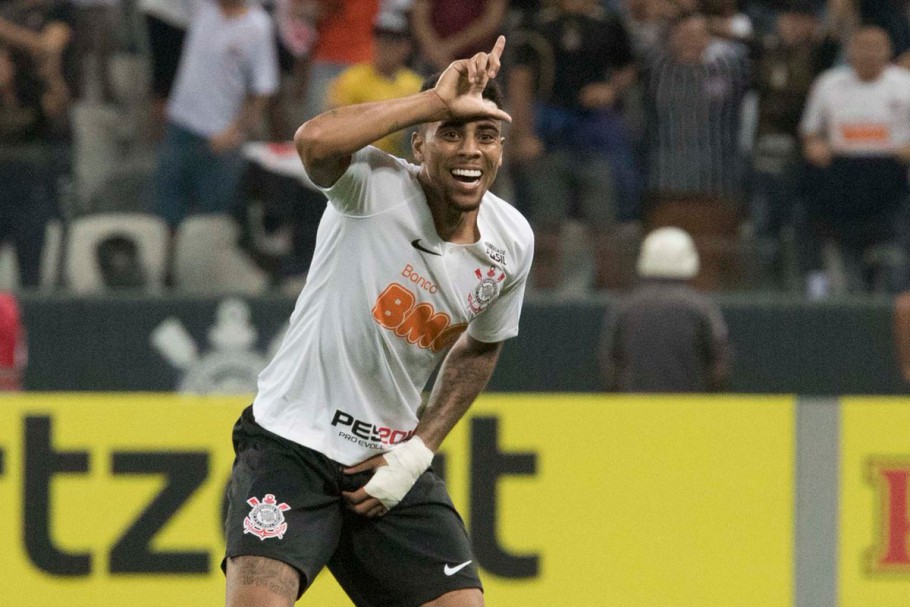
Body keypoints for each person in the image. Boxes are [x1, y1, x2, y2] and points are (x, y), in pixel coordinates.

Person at [222, 36, 534, 607]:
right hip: (293, 444)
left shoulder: (512, 242)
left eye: (486, 135)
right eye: (452, 132)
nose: (471, 150)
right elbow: (313, 140)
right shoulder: (374, 186)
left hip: (384, 466)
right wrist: (434, 100)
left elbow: (482, 347)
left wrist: (416, 453)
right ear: (420, 144)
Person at [799, 25, 910, 296]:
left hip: (893, 177)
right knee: (844, 258)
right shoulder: (829, 83)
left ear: (888, 51)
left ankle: (891, 302)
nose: (869, 54)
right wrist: (815, 146)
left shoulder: (905, 85)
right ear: (850, 50)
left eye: (876, 47)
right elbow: (810, 131)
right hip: (843, 176)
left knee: (894, 257)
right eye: (862, 47)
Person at [600, 226, 730, 392]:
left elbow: (610, 365)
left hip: (634, 410)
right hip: (689, 411)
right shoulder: (701, 307)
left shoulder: (625, 306)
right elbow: (720, 364)